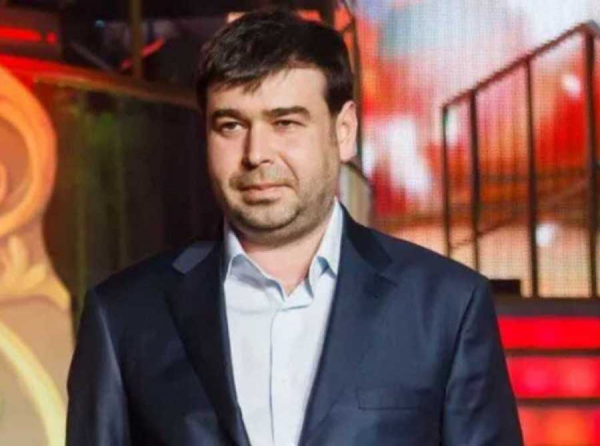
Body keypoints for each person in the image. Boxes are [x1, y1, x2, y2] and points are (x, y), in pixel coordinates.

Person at [66, 9, 523, 446]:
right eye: (231, 125)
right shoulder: (124, 316)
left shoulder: (446, 307)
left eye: (285, 122)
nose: (256, 153)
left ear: (344, 131)